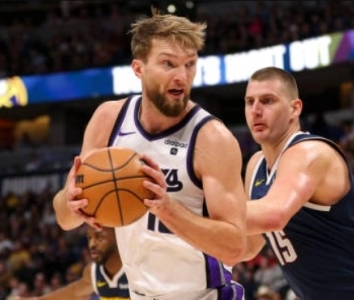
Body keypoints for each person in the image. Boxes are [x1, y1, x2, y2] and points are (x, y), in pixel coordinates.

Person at [52, 9, 247, 300]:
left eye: (189, 64)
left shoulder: (212, 139)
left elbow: (234, 246)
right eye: (168, 63)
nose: (181, 76)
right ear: (138, 68)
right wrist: (71, 202)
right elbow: (64, 218)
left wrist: (167, 207)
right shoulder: (108, 120)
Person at [238, 67, 354, 300]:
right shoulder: (255, 167)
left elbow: (273, 215)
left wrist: (196, 205)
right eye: (249, 101)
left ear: (295, 108)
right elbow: (246, 246)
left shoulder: (310, 151)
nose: (255, 110)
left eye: (267, 101)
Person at [16, 226, 129, 300]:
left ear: (117, 239)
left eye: (100, 239)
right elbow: (75, 292)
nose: (92, 245)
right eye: (89, 238)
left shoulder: (136, 265)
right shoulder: (93, 271)